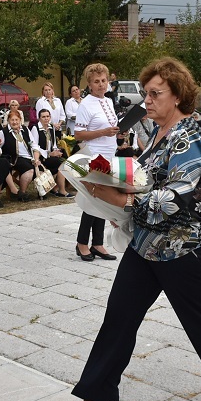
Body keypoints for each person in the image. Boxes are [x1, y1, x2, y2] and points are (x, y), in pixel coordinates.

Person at [66, 57, 201, 401]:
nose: (146, 101)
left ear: (178, 95)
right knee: (119, 317)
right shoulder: (156, 133)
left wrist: (121, 199)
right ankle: (97, 392)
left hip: (184, 248)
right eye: (146, 93)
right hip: (146, 243)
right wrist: (103, 179)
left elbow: (177, 194)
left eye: (155, 94)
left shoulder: (192, 135)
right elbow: (144, 176)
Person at [74, 64, 121, 262]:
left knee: (103, 200)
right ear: (89, 84)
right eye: (96, 82)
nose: (101, 85)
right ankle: (82, 243)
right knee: (93, 200)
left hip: (110, 154)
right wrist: (103, 132)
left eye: (104, 80)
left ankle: (98, 243)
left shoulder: (109, 101)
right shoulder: (86, 104)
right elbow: (78, 134)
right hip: (94, 156)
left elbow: (109, 126)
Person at [0, 110, 43, 201]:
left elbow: (33, 144)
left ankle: (42, 191)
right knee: (29, 169)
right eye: (12, 120)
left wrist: (36, 158)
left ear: (20, 120)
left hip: (29, 157)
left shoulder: (25, 129)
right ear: (8, 121)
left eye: (16, 120)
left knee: (41, 168)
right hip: (14, 159)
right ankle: (22, 193)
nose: (15, 122)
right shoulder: (3, 132)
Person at [32, 109, 73, 197]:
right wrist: (49, 154)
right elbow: (34, 147)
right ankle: (61, 190)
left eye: (47, 116)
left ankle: (56, 188)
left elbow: (53, 144)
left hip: (50, 156)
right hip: (40, 157)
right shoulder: (35, 128)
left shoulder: (51, 127)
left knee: (66, 159)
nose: (46, 118)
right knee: (61, 164)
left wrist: (56, 151)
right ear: (39, 118)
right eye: (43, 117)